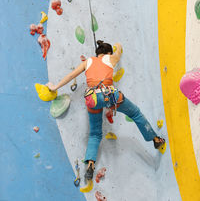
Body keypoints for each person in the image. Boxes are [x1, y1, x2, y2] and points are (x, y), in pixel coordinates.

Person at [46, 40, 165, 181]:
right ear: (108, 53)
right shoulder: (110, 58)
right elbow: (119, 50)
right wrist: (118, 45)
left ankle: (90, 164)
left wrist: (55, 87)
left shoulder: (88, 62)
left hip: (92, 99)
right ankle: (156, 139)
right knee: (135, 113)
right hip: (110, 96)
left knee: (95, 134)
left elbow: (71, 76)